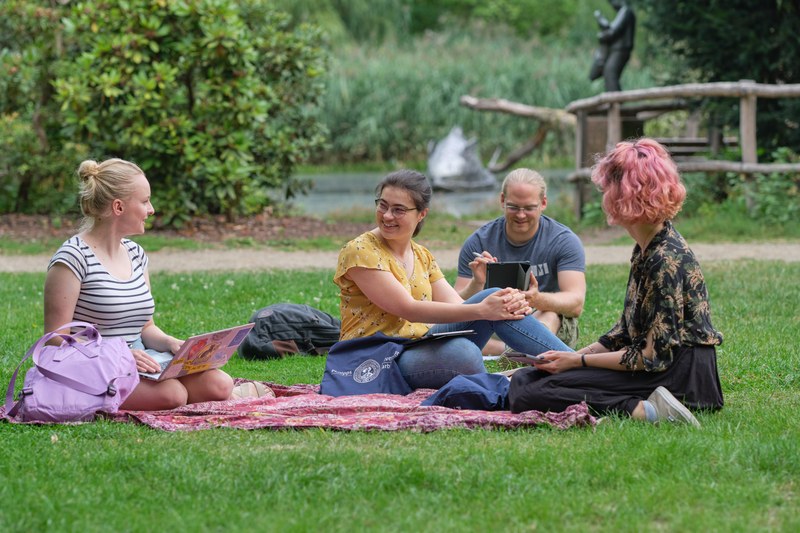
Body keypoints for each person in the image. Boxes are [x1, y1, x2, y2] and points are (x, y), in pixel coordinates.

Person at [508, 138, 724, 427]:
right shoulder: (647, 248)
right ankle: (645, 405)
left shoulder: (664, 258)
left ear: (624, 194)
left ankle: (649, 411)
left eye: (608, 187)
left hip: (681, 379)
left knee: (533, 392)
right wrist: (568, 357)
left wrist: (578, 363)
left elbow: (652, 357)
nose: (604, 195)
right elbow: (624, 333)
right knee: (527, 379)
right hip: (665, 368)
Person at [43, 158, 260, 411]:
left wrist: (172, 344)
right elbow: (56, 339)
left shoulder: (136, 254)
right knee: (173, 395)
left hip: (143, 361)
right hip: (92, 366)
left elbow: (146, 327)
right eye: (145, 201)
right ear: (118, 207)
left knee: (220, 385)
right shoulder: (72, 259)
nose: (152, 209)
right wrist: (118, 357)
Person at [333, 169, 571, 390]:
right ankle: (568, 371)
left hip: (417, 345)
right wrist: (483, 310)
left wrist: (480, 287)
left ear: (422, 214)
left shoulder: (421, 255)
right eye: (382, 206)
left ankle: (576, 364)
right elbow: (408, 309)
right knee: (463, 353)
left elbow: (456, 307)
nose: (387, 215)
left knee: (496, 297)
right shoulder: (361, 251)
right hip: (375, 357)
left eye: (398, 209)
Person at [454, 168, 586, 353]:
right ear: (502, 200)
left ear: (543, 203)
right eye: (514, 207)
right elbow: (456, 305)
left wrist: (536, 299)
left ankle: (519, 348)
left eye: (529, 208)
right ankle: (514, 350)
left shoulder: (563, 240)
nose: (521, 215)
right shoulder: (479, 241)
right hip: (492, 318)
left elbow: (575, 303)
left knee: (550, 314)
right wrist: (477, 283)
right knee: (456, 326)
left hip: (542, 319)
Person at [591, 0, 636, 92]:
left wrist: (602, 35)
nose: (612, 5)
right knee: (609, 73)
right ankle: (614, 102)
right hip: (618, 49)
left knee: (610, 72)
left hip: (621, 49)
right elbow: (612, 29)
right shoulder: (624, 12)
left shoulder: (625, 11)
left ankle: (615, 102)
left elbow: (613, 30)